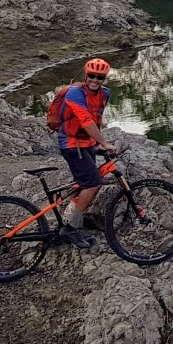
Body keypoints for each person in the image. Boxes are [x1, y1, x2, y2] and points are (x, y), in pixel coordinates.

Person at [52, 57, 119, 248]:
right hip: (72, 145)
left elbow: (97, 119)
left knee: (86, 184)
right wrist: (104, 142)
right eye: (91, 75)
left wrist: (95, 144)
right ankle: (70, 229)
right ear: (85, 74)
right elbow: (86, 120)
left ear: (105, 78)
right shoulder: (74, 93)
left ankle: (73, 220)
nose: (95, 80)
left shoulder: (104, 94)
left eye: (100, 77)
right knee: (93, 183)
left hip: (86, 145)